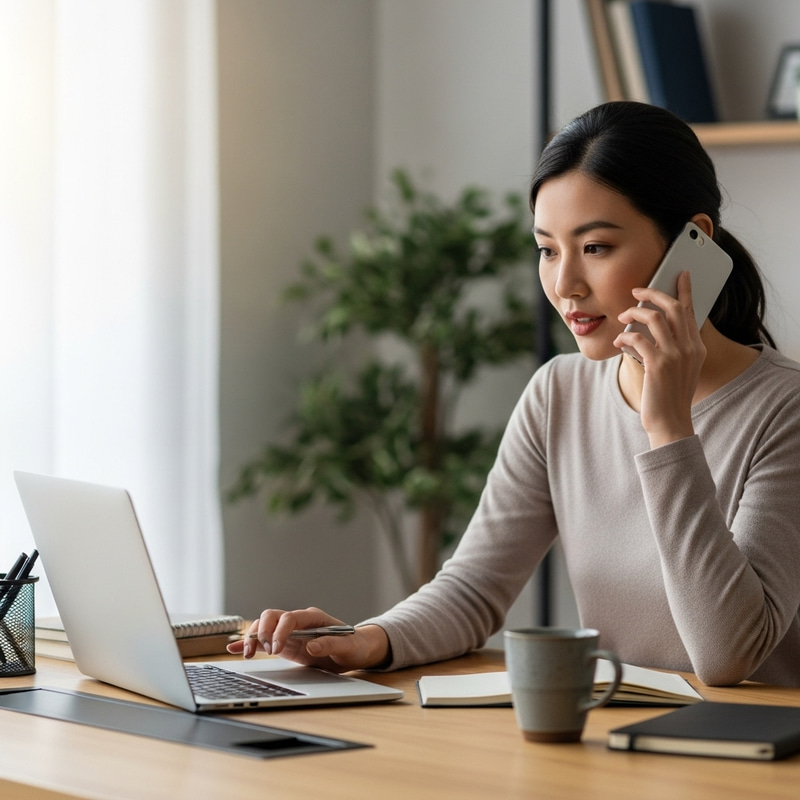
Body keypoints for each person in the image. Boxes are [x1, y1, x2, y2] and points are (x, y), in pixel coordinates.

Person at [228, 101, 800, 687]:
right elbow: (475, 587)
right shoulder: (559, 393)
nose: (564, 285)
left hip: (756, 765)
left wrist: (669, 429)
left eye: (595, 247)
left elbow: (728, 655)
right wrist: (363, 640)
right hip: (610, 750)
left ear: (693, 243)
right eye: (548, 249)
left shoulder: (786, 411)